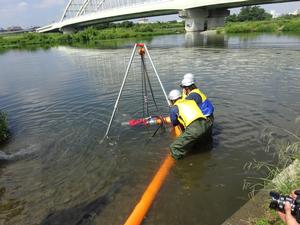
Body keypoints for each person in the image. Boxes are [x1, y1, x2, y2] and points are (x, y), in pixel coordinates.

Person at [168, 89, 212, 159]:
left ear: (172, 100)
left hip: (194, 129)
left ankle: (179, 166)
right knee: (199, 142)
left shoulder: (174, 108)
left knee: (174, 147)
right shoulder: (191, 101)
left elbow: (174, 122)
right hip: (206, 124)